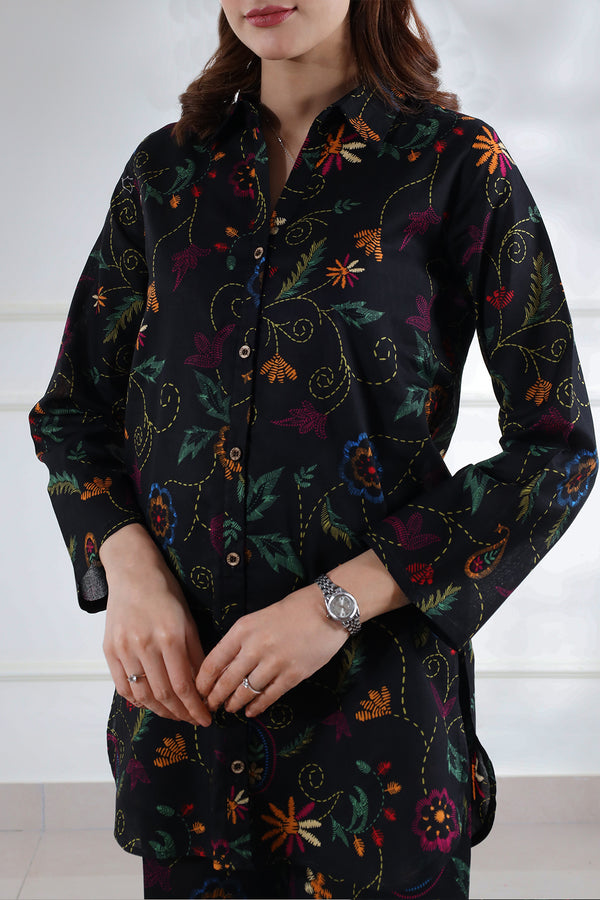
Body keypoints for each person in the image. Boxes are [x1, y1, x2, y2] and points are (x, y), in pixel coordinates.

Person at [30, 1, 597, 898]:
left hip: (374, 725)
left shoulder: (457, 166)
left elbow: (555, 448)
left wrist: (336, 604)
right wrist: (127, 571)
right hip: (189, 717)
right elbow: (74, 412)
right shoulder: (164, 173)